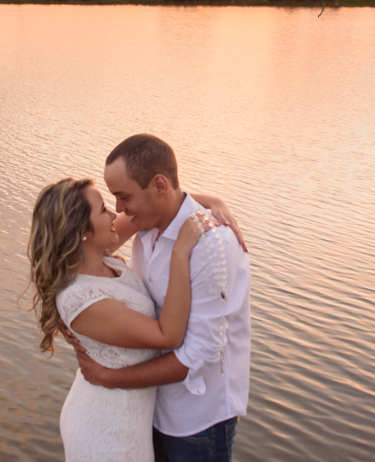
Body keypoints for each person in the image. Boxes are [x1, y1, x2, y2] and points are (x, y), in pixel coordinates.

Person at [27, 176, 238, 462]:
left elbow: (157, 206)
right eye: (103, 209)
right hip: (111, 432)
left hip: (129, 417)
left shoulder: (100, 258)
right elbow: (169, 336)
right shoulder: (81, 298)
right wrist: (180, 251)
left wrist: (213, 201)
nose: (116, 213)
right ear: (81, 231)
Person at [69, 134, 252, 462]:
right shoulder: (146, 223)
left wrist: (112, 378)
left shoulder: (212, 247)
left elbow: (200, 352)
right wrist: (209, 197)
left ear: (158, 185)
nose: (118, 211)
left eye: (123, 197)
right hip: (149, 411)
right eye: (112, 200)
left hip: (198, 424)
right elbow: (80, 243)